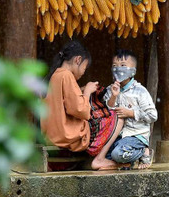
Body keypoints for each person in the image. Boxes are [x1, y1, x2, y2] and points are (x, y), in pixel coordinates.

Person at [41, 41, 124, 170]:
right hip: (66, 137)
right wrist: (87, 91)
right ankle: (100, 159)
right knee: (116, 117)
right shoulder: (67, 75)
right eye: (84, 68)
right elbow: (80, 110)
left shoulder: (55, 75)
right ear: (78, 60)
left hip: (51, 137)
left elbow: (62, 102)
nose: (83, 73)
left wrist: (80, 90)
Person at [99, 49, 158, 170]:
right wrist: (114, 96)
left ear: (133, 71)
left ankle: (143, 151)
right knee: (103, 153)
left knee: (117, 154)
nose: (118, 69)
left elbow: (153, 115)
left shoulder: (140, 91)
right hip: (117, 136)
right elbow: (107, 111)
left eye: (123, 66)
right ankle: (127, 162)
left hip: (135, 135)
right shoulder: (110, 90)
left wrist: (130, 113)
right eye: (115, 66)